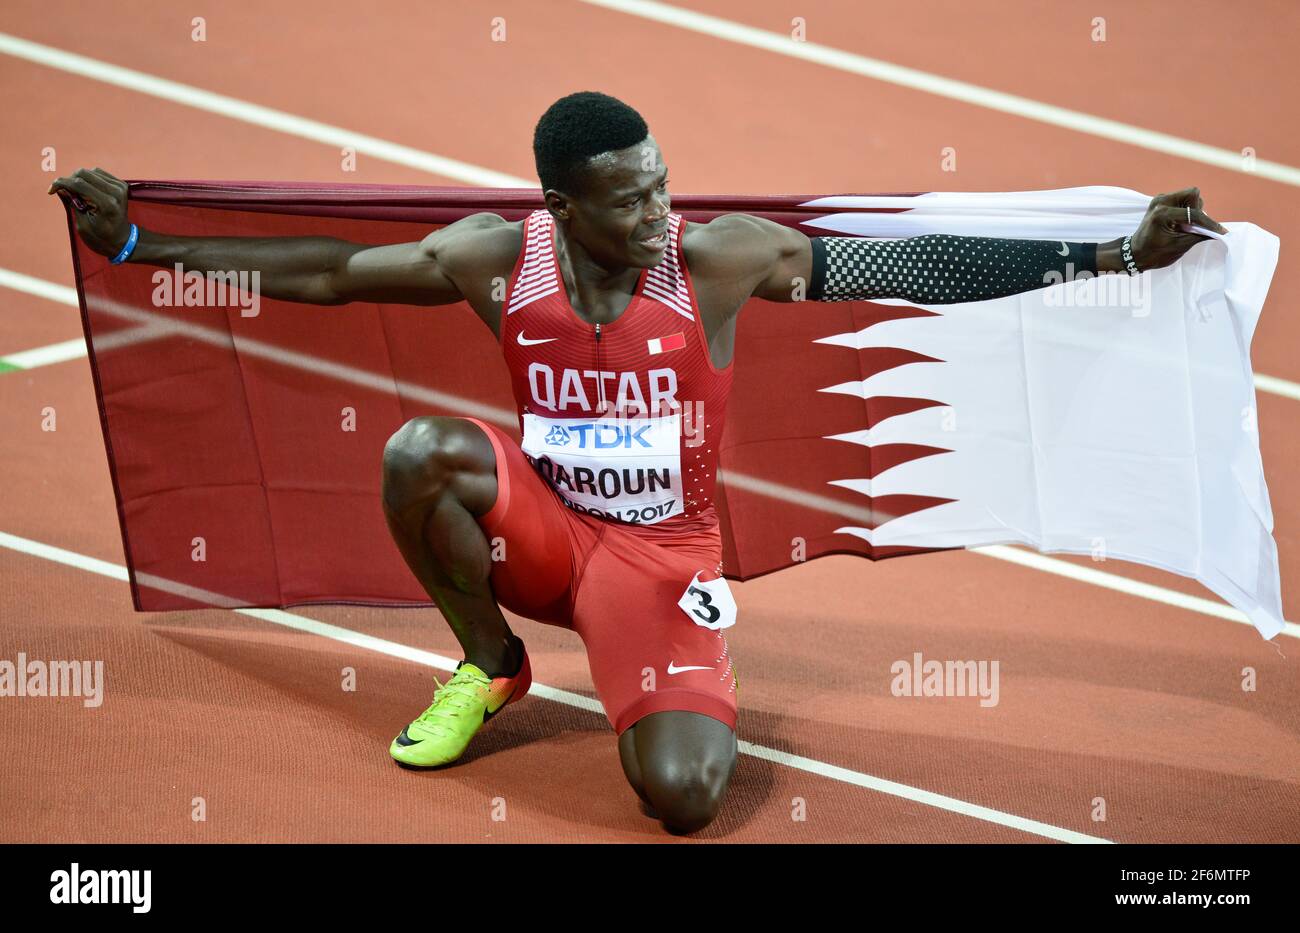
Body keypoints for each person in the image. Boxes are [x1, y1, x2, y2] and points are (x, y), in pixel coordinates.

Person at [49, 90, 1225, 834]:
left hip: (656, 564)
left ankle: (638, 672)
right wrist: (148, 245)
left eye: (663, 179)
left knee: (681, 801)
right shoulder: (492, 258)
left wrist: (1112, 252)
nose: (661, 208)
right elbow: (324, 273)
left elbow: (912, 271)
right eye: (630, 198)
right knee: (421, 452)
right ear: (562, 206)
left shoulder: (715, 260)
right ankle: (492, 664)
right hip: (540, 532)